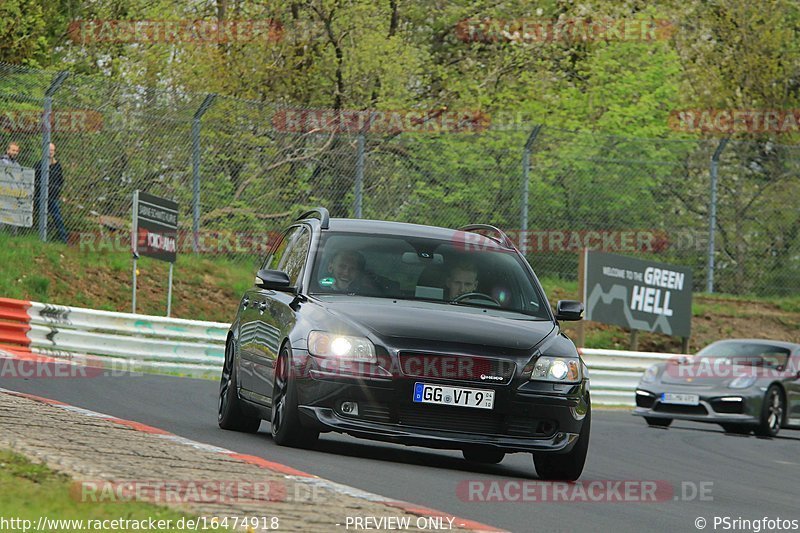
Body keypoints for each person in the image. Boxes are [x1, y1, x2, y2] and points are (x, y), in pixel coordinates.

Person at [34, 143, 68, 243]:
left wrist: (56, 192)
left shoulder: (57, 166)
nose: (50, 152)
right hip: (39, 196)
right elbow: (34, 179)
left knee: (57, 217)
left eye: (52, 150)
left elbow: (60, 181)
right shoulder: (39, 164)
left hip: (52, 197)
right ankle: (37, 237)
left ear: (54, 151)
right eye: (49, 150)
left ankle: (63, 240)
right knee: (38, 216)